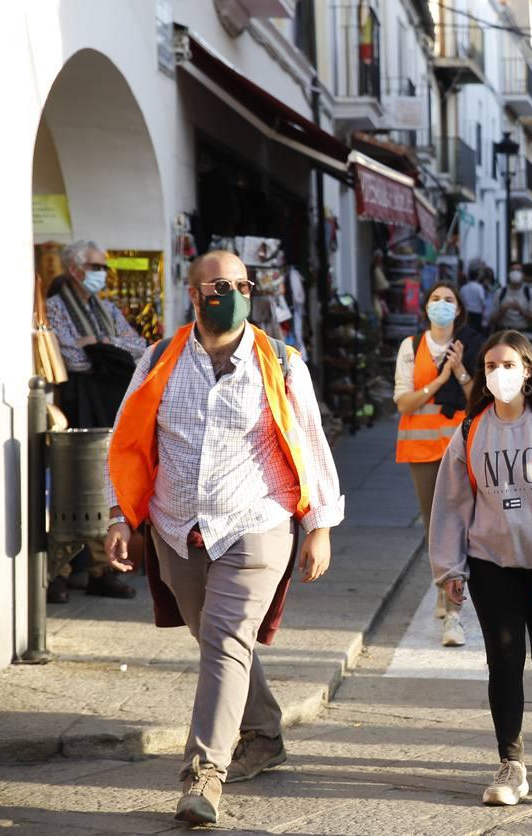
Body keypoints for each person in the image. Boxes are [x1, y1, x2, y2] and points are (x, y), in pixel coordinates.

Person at [101, 250, 343, 826]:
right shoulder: (158, 359)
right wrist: (119, 516)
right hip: (177, 527)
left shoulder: (281, 362)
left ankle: (203, 775)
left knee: (229, 633)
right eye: (218, 285)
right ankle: (263, 732)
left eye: (241, 283)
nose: (231, 292)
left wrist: (320, 527)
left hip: (257, 519)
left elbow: (310, 443)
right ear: (194, 294)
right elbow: (127, 441)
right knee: (215, 638)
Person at [428, 331, 532, 806]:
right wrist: (450, 568)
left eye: (508, 364)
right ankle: (511, 764)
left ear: (528, 370)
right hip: (491, 562)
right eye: (490, 365)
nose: (498, 373)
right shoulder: (471, 431)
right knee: (504, 661)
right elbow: (451, 504)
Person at [45, 239, 147, 602]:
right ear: (75, 270)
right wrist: (107, 348)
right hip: (75, 401)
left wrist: (98, 341)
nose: (102, 273)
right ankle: (62, 571)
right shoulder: (55, 307)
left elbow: (138, 347)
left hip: (108, 402)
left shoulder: (106, 308)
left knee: (106, 479)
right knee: (70, 483)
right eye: (96, 266)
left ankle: (102, 568)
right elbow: (71, 358)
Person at [394, 282, 484, 647]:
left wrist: (460, 371)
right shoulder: (411, 346)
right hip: (422, 450)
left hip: (461, 448)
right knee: (435, 527)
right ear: (426, 306)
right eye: (436, 299)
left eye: (449, 300)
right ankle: (444, 591)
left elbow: (477, 396)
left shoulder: (472, 344)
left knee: (462, 523)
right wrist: (441, 379)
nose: (442, 305)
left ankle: (452, 603)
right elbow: (403, 402)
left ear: (459, 309)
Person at [493, 263, 532, 334]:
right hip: (504, 333)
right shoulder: (500, 293)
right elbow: (492, 320)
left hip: (525, 333)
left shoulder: (530, 293)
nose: (515, 272)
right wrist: (503, 311)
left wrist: (520, 310)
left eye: (518, 270)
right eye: (513, 270)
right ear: (508, 274)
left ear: (523, 275)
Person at [460, 268, 488, 332]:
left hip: (467, 312)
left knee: (468, 330)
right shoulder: (479, 287)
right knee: (477, 331)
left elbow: (461, 300)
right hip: (478, 312)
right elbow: (482, 300)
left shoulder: (464, 288)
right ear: (477, 277)